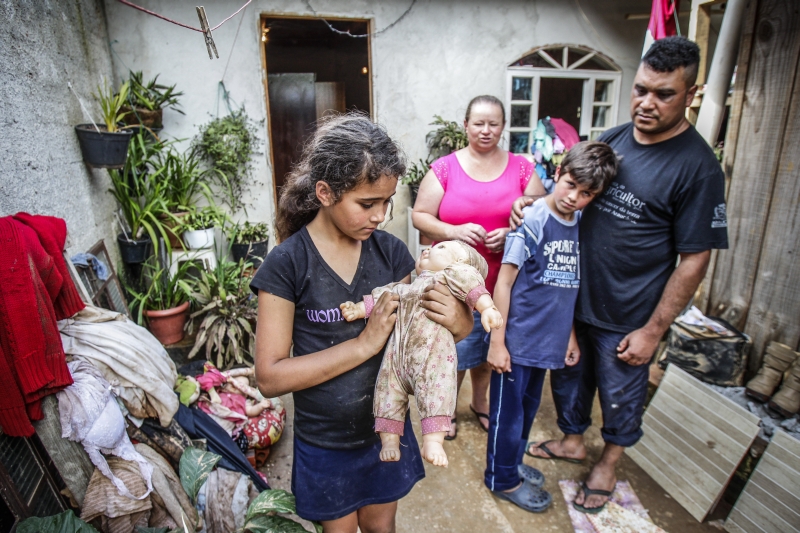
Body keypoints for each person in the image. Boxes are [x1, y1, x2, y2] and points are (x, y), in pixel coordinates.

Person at [513, 36, 729, 514]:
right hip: (573, 299)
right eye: (640, 89)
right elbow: (567, 194)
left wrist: (653, 330)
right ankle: (572, 441)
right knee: (569, 378)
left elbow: (695, 258)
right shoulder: (611, 140)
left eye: (664, 94)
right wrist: (531, 205)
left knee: (620, 394)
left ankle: (608, 464)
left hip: (630, 313)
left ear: (690, 94)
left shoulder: (698, 168)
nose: (647, 103)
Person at [252, 114, 473, 532]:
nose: (380, 216)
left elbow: (427, 330)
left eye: (387, 202)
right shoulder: (288, 264)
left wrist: (460, 321)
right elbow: (270, 377)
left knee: (381, 526)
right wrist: (362, 345)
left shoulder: (391, 254)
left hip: (385, 432)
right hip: (326, 443)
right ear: (325, 193)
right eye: (367, 204)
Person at [486, 142, 619, 513]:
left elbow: (566, 288)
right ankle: (501, 479)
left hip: (546, 343)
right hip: (516, 342)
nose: (574, 197)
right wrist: (497, 342)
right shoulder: (533, 220)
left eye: (586, 193)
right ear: (558, 174)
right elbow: (504, 283)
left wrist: (569, 336)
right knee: (507, 417)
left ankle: (512, 464)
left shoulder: (578, 222)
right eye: (570, 184)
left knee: (527, 412)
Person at [413, 95, 546, 439]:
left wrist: (514, 231)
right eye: (479, 123)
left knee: (488, 348)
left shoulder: (521, 168)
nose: (486, 130)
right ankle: (447, 408)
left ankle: (480, 401)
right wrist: (453, 231)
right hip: (454, 284)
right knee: (454, 350)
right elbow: (420, 216)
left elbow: (543, 210)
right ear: (466, 125)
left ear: (503, 127)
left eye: (494, 124)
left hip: (503, 281)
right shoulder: (445, 168)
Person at [340, 241, 503, 468]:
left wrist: (487, 308)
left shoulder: (450, 277)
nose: (428, 249)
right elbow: (384, 296)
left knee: (437, 393)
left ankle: (433, 442)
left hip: (432, 360)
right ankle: (390, 441)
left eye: (442, 248)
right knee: (387, 394)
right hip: (395, 359)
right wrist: (358, 309)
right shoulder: (405, 288)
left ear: (458, 263)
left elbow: (470, 283)